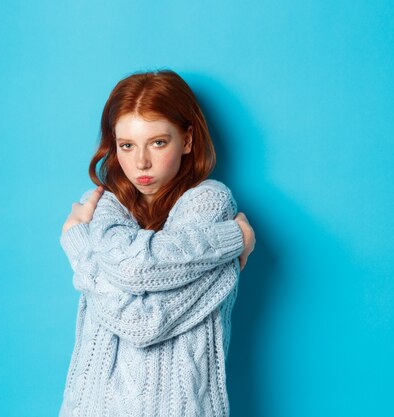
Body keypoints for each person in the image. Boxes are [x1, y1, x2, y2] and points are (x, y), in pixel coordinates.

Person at [59, 69, 256, 417]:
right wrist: (235, 241)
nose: (141, 162)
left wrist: (80, 247)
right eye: (127, 145)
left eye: (158, 142)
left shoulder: (210, 203)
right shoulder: (106, 206)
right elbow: (138, 276)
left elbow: (141, 320)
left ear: (188, 140)